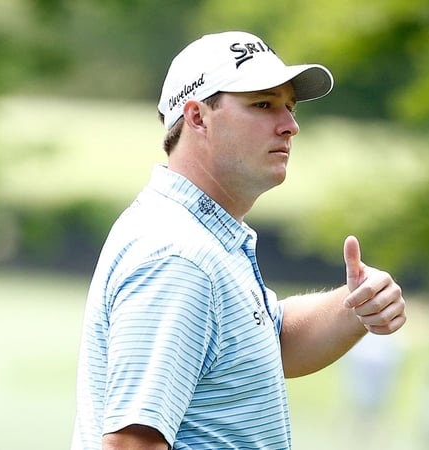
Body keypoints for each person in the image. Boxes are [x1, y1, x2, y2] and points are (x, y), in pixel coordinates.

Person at [71, 30, 407, 450]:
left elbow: (265, 340)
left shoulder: (200, 237)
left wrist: (355, 307)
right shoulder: (180, 257)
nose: (290, 126)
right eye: (263, 104)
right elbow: (131, 444)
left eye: (289, 106)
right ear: (197, 117)